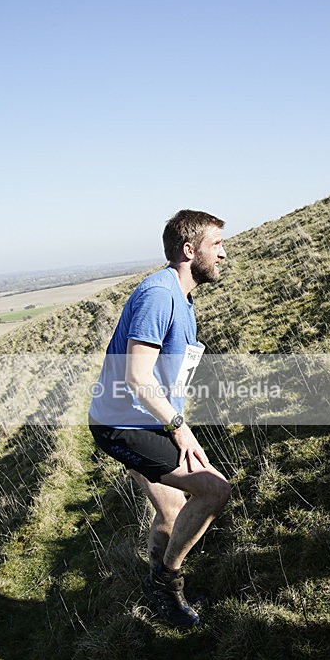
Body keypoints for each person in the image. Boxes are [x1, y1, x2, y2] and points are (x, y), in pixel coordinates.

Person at [88, 209, 231, 628]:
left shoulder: (179, 294)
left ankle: (160, 591)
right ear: (190, 250)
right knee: (214, 491)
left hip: (139, 420)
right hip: (124, 425)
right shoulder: (159, 295)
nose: (224, 254)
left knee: (171, 508)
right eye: (217, 245)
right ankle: (166, 582)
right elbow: (136, 375)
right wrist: (179, 428)